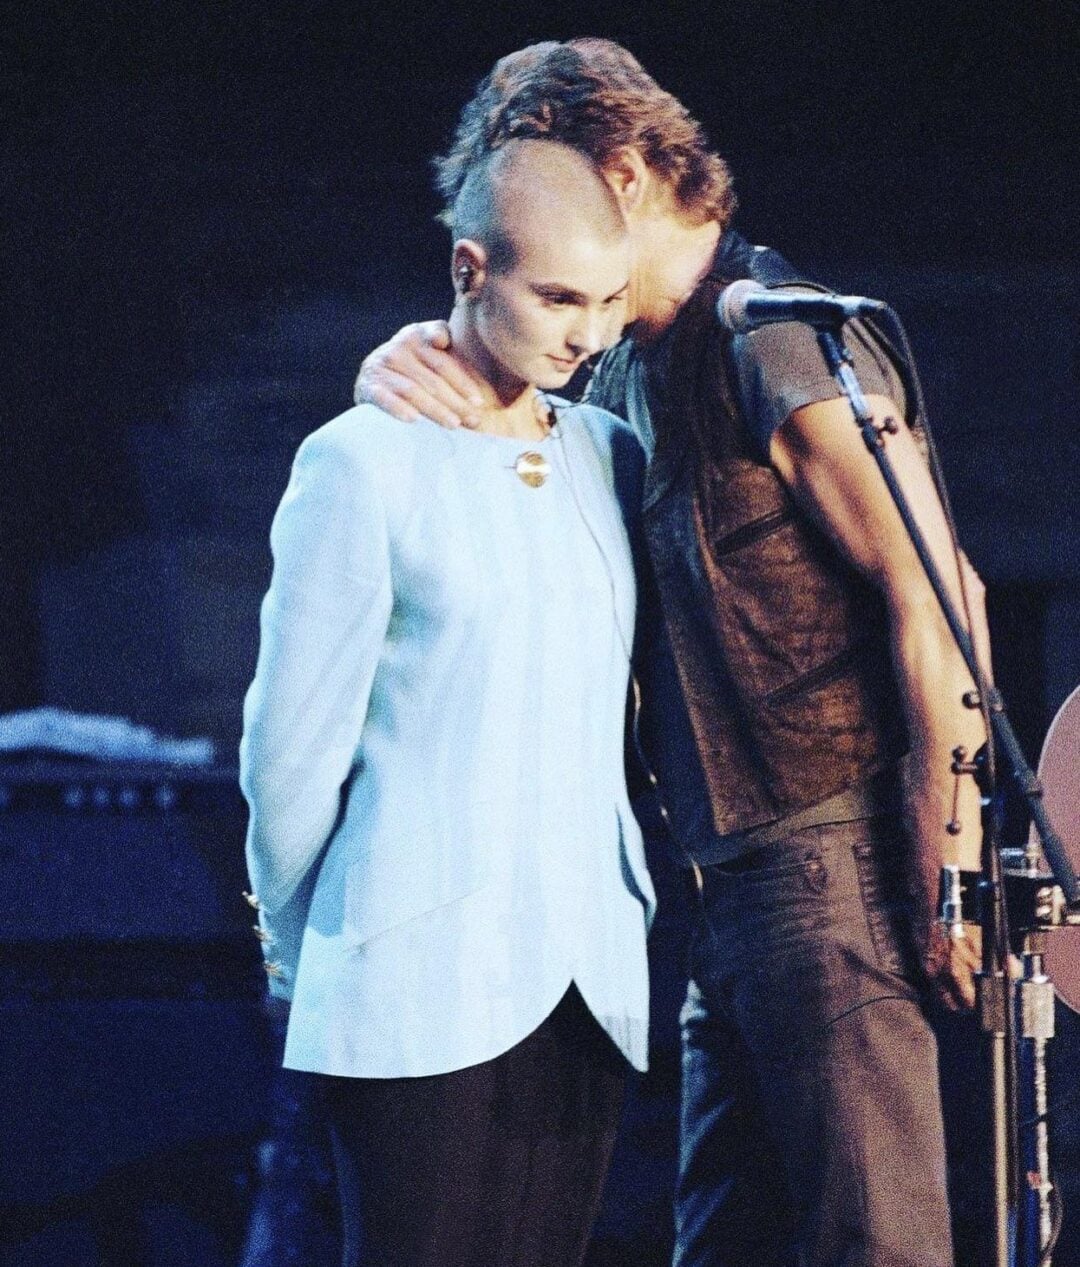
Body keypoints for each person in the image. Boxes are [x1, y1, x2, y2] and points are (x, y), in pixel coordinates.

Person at [354, 38, 995, 1267]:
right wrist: (406, 359)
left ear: (624, 176)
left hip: (837, 865)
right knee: (721, 1242)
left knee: (877, 1245)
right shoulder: (631, 367)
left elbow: (938, 589)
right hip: (725, 889)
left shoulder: (771, 339)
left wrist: (944, 853)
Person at [239, 136, 656, 1267]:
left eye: (608, 301)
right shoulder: (363, 461)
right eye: (558, 298)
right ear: (471, 270)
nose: (587, 333)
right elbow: (289, 748)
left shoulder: (610, 454)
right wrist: (297, 954)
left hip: (587, 973)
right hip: (413, 969)